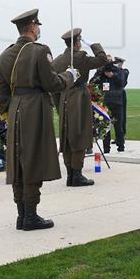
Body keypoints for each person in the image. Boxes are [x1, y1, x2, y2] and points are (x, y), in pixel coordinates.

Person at [0, 9, 77, 231]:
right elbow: (52, 83)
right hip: (35, 108)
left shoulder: (5, 54)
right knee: (32, 160)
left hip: (15, 110)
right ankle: (30, 216)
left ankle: (22, 215)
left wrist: (7, 112)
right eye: (37, 25)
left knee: (18, 162)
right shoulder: (40, 52)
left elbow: (1, 91)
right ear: (32, 27)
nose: (39, 29)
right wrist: (70, 76)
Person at [52, 28, 110, 187]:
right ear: (77, 42)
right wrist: (94, 45)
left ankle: (71, 175)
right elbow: (102, 59)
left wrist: (58, 105)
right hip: (78, 98)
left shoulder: (59, 60)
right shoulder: (80, 57)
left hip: (64, 99)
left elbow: (53, 86)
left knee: (67, 137)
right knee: (80, 135)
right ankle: (77, 175)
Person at [93, 61, 127, 153]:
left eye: (108, 72)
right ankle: (106, 149)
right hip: (105, 105)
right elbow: (92, 82)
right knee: (105, 127)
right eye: (106, 72)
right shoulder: (102, 75)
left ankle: (121, 147)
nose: (107, 73)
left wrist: (113, 75)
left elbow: (122, 82)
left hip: (117, 103)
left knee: (118, 126)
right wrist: (99, 72)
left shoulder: (118, 72)